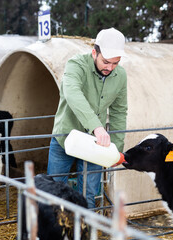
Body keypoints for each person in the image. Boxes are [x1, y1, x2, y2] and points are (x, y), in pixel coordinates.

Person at [47, 27, 128, 209]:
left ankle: (85, 233)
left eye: (115, 63)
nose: (110, 67)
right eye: (106, 62)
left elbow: (119, 111)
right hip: (65, 138)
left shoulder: (120, 75)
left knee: (89, 195)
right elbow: (72, 94)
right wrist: (97, 127)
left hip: (95, 145)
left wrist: (116, 149)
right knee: (53, 192)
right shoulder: (76, 65)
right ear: (94, 52)